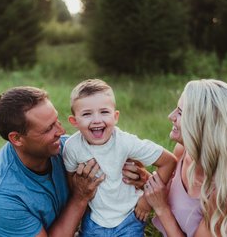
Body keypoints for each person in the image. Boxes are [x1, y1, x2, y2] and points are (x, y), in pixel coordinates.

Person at [0, 86, 105, 237]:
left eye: (57, 121)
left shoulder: (65, 149)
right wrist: (79, 197)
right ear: (17, 138)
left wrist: (135, 175)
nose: (61, 132)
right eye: (48, 129)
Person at [141, 79, 227, 237]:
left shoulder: (222, 195)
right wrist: (145, 180)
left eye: (180, 112)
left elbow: (164, 204)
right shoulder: (183, 151)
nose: (170, 116)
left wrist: (162, 209)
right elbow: (170, 196)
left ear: (202, 125)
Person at [63, 79, 177, 237]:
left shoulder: (126, 142)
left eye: (104, 112)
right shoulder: (72, 147)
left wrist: (145, 200)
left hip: (129, 216)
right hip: (93, 219)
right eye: (87, 114)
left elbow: (168, 161)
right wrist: (81, 205)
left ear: (115, 117)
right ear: (74, 121)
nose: (97, 120)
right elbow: (71, 177)